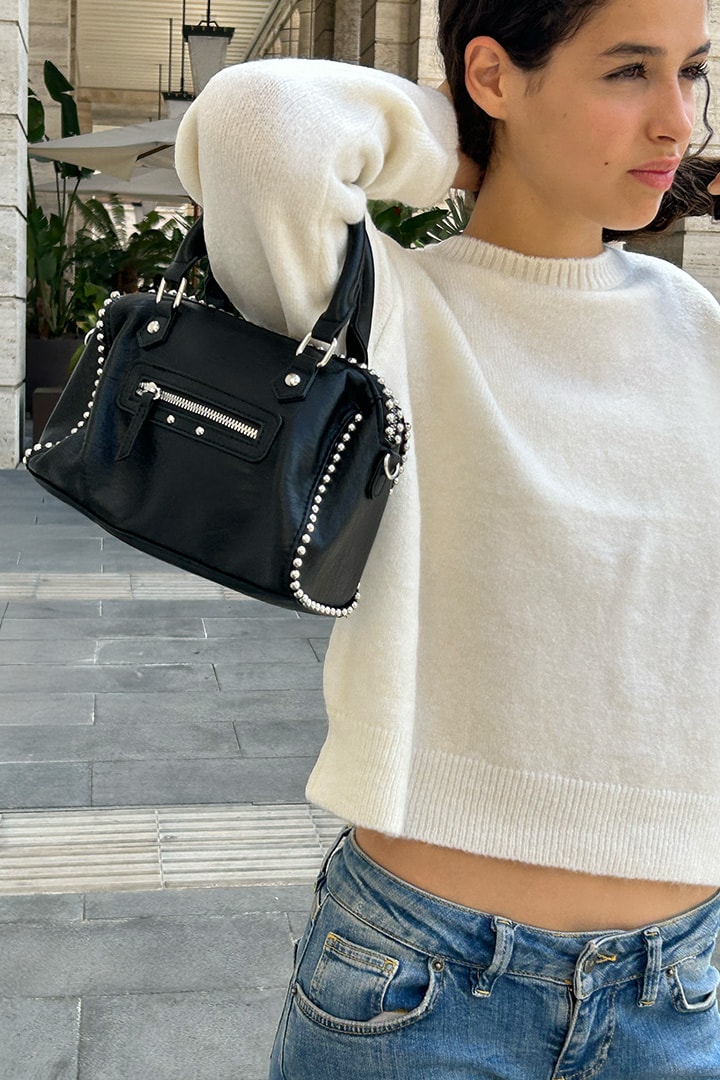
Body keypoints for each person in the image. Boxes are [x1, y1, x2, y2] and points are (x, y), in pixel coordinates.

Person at [175, 0, 720, 1075]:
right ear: (493, 74)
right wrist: (466, 148)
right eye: (628, 72)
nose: (678, 121)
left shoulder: (699, 330)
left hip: (681, 994)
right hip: (421, 989)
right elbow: (257, 121)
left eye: (692, 71)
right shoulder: (389, 311)